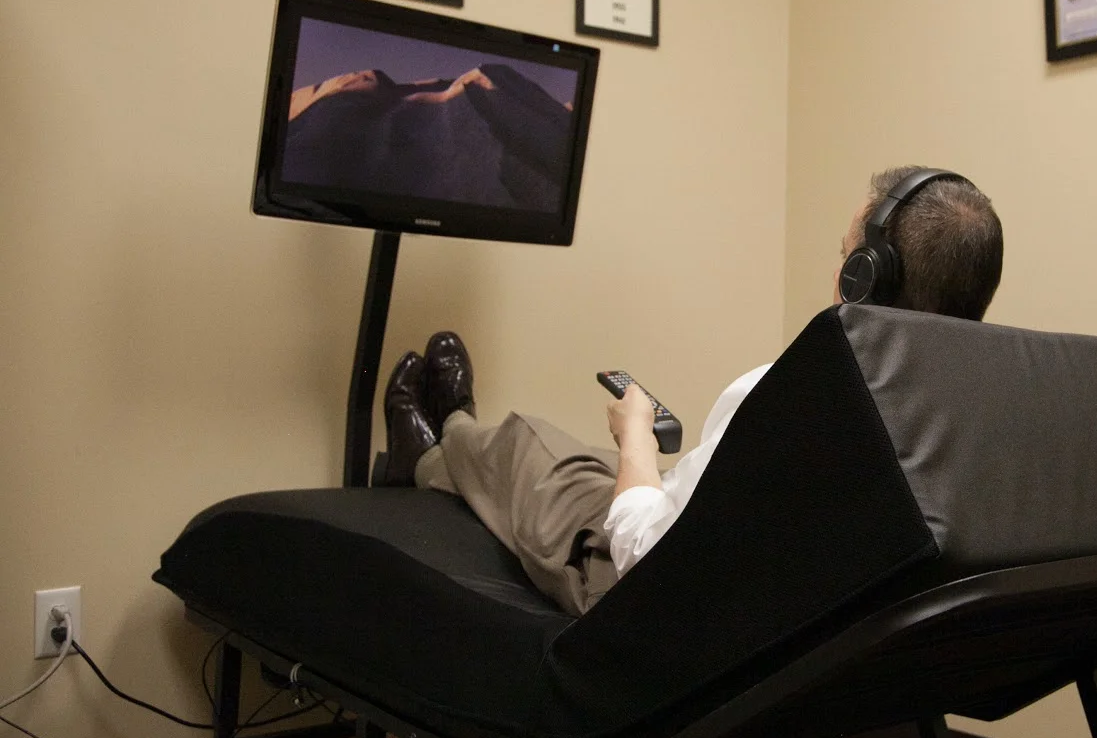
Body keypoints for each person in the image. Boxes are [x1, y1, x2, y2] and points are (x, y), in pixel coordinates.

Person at [378, 167, 1004, 616]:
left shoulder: (792, 397)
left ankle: (439, 441)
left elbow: (641, 554)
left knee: (527, 444)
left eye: (845, 257)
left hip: (646, 602)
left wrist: (636, 440)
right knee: (590, 462)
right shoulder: (969, 415)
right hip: (795, 620)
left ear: (865, 280)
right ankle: (442, 448)